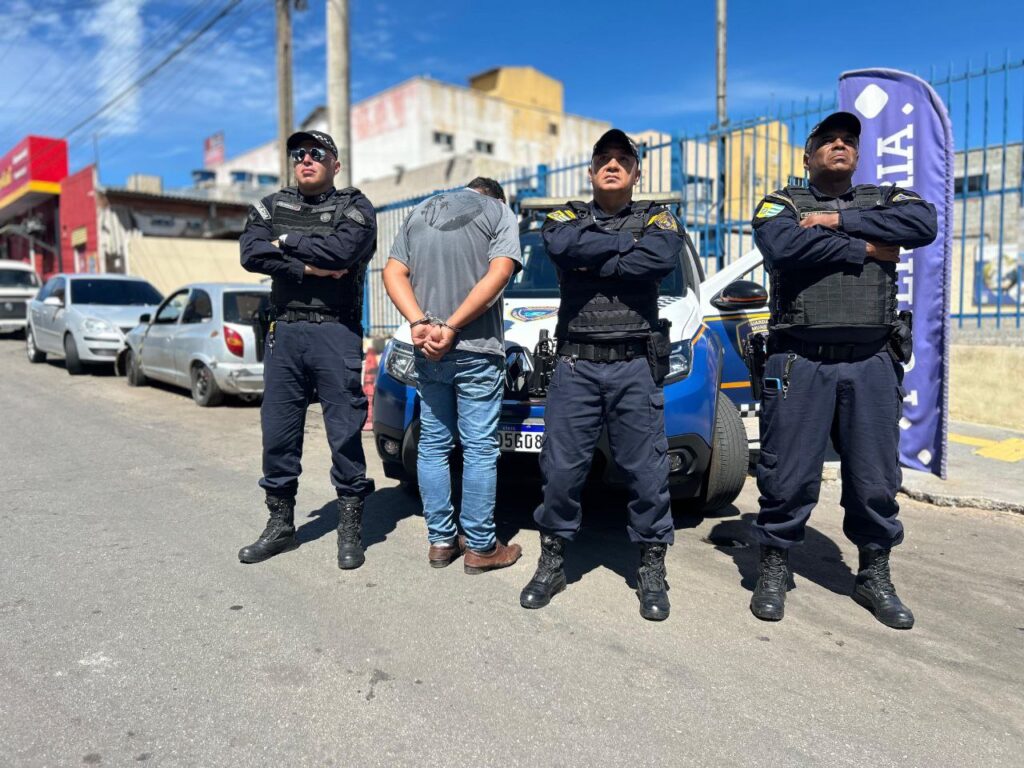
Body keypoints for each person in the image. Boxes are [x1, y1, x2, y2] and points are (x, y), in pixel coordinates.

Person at [749, 111, 937, 628]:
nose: (839, 145)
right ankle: (774, 565)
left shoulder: (887, 199)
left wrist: (838, 222)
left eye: (847, 140)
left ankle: (873, 574)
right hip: (800, 361)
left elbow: (923, 225)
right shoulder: (781, 204)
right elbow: (783, 246)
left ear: (857, 154)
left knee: (875, 478)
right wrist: (868, 249)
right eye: (827, 140)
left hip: (872, 361)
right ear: (807, 156)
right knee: (786, 474)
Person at [520, 129, 681, 621]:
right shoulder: (563, 215)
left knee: (648, 473)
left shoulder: (659, 217)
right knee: (562, 471)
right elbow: (564, 247)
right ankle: (553, 558)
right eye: (603, 159)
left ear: (637, 172)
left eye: (622, 159)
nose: (612, 165)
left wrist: (597, 258)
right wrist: (623, 253)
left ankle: (652, 566)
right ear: (591, 172)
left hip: (634, 363)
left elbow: (661, 256)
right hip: (576, 365)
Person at [237, 129, 378, 570]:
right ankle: (280, 525)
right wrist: (307, 265)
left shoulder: (355, 206)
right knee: (277, 432)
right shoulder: (271, 206)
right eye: (298, 153)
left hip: (335, 332)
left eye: (317, 153)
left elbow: (343, 251)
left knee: (344, 431)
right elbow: (249, 253)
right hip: (285, 334)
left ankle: (350, 527)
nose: (306, 159)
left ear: (335, 164)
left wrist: (287, 243)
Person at [382, 177, 523, 573]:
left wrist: (420, 322)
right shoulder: (499, 212)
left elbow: (393, 273)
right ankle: (480, 545)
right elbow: (500, 272)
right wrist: (453, 326)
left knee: (433, 446)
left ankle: (441, 541)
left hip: (427, 349)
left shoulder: (420, 212)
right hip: (475, 349)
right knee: (479, 448)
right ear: (496, 195)